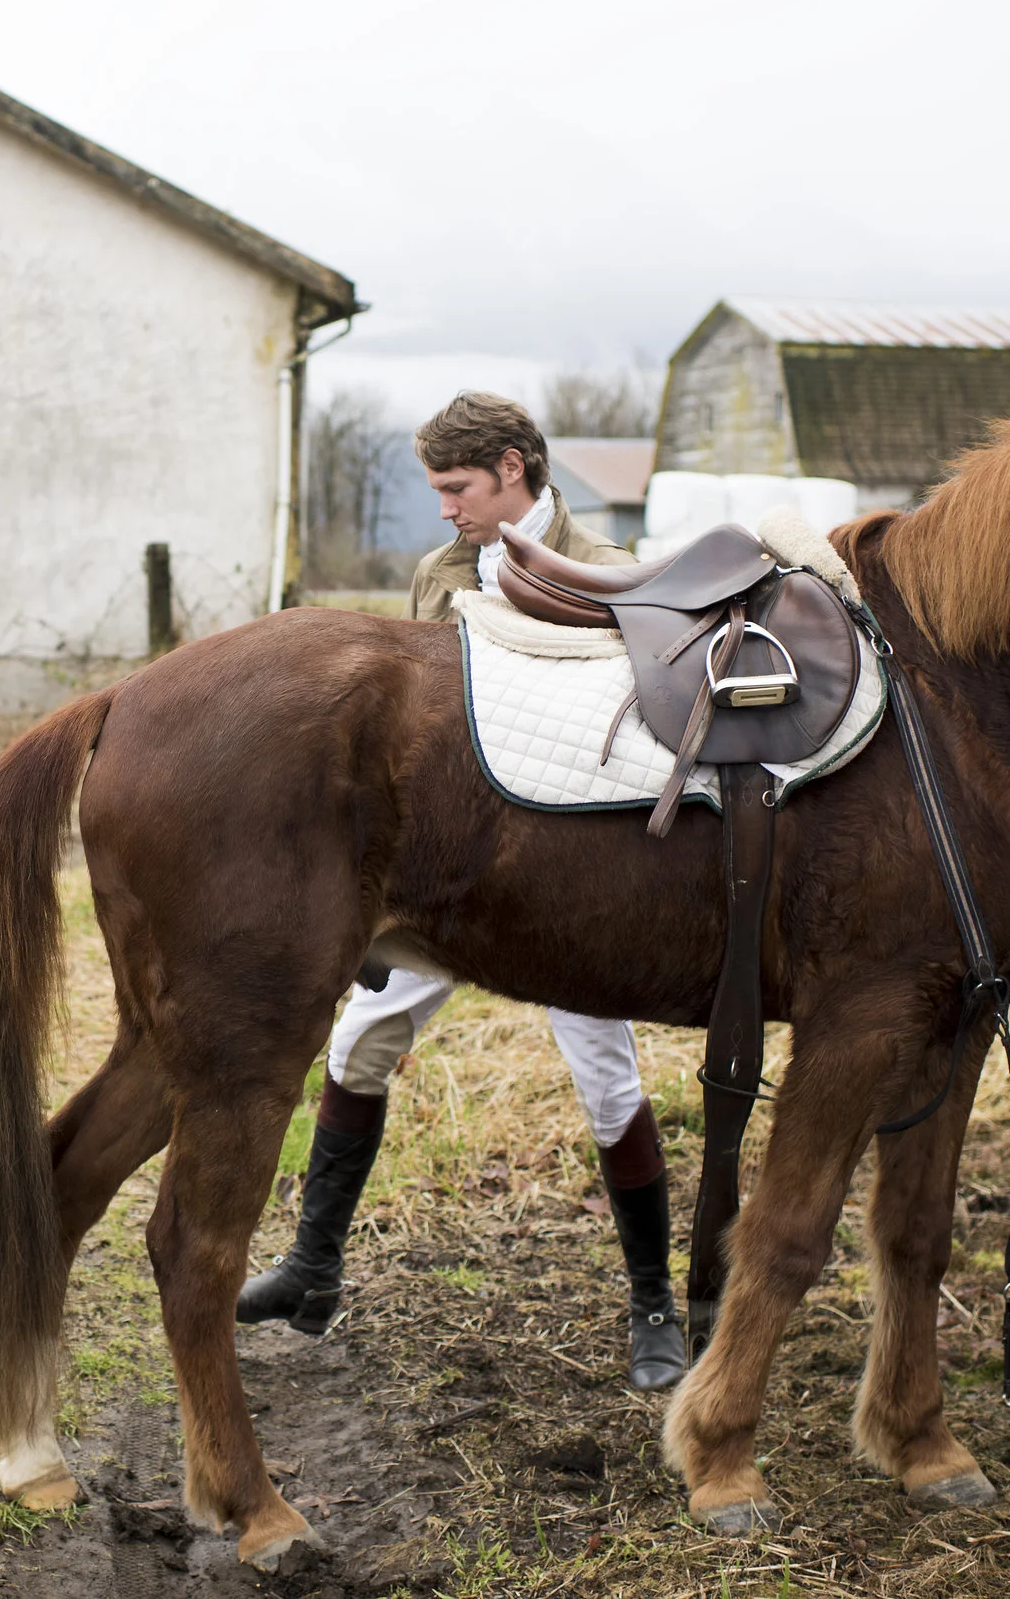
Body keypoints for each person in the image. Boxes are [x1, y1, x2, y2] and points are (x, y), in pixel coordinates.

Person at [236, 391, 687, 1392]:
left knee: (606, 1080)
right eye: (437, 490)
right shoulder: (440, 575)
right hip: (445, 879)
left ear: (516, 468)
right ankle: (313, 1270)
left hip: (566, 880)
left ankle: (653, 1301)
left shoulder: (612, 571)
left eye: (458, 488)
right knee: (357, 1044)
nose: (445, 510)